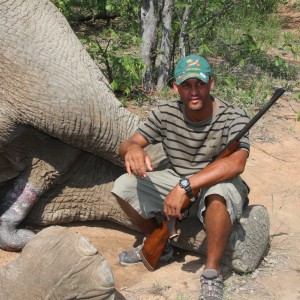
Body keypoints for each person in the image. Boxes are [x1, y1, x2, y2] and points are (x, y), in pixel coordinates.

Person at [111, 54, 250, 300]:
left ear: (211, 84)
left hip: (215, 181)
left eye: (200, 84)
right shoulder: (165, 112)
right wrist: (132, 149)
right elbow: (130, 143)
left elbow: (237, 163)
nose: (193, 92)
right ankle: (156, 240)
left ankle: (212, 272)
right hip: (177, 177)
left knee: (219, 194)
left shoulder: (234, 115)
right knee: (124, 185)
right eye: (186, 85)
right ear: (176, 87)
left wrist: (186, 185)